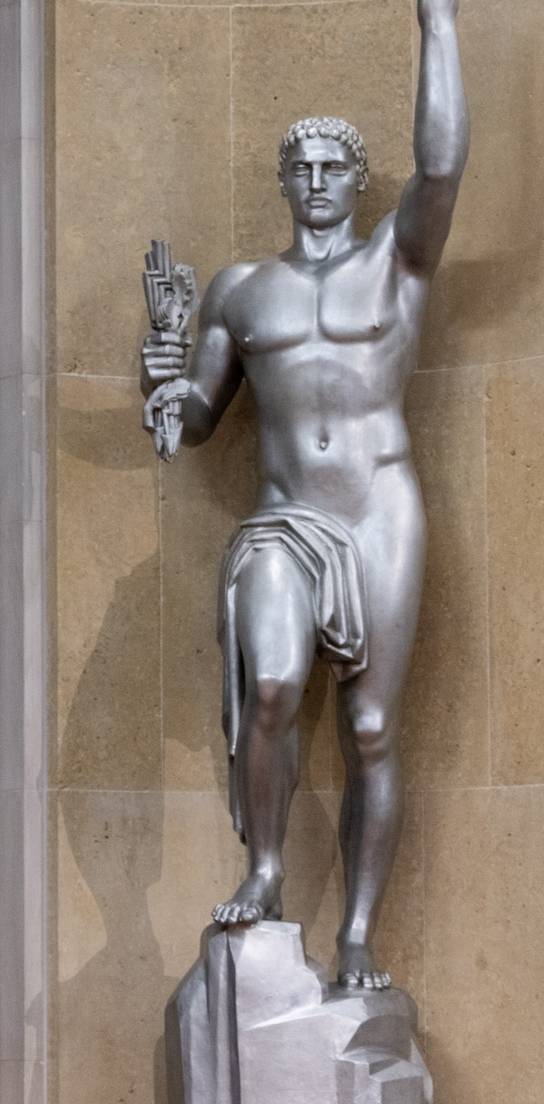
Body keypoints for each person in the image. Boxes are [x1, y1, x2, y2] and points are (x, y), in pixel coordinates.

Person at [140, 0, 466, 991]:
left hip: (378, 505)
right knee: (273, 684)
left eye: (334, 169)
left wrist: (436, 20)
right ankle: (267, 867)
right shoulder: (239, 291)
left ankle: (359, 932)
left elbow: (442, 164)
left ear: (358, 181)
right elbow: (198, 415)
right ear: (282, 181)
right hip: (283, 517)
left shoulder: (394, 262)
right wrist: (160, 383)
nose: (317, 183)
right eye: (302, 169)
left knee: (370, 729)